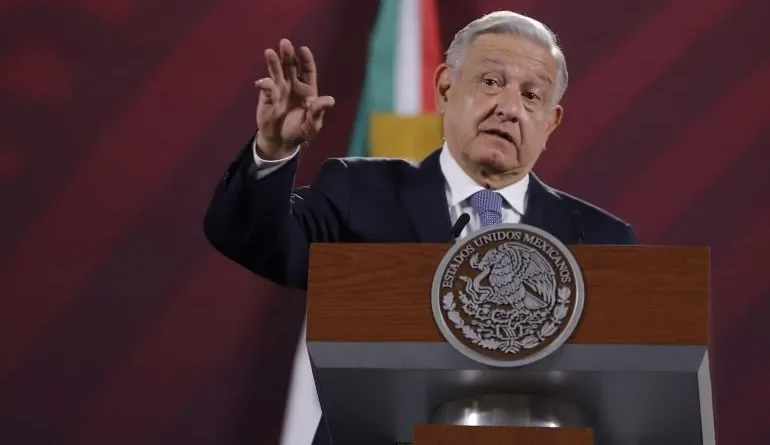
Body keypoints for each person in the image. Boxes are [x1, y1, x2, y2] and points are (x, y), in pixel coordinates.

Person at [204, 11, 637, 445]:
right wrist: (273, 151)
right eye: (491, 82)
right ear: (445, 88)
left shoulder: (601, 242)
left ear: (551, 122)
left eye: (531, 95)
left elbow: (623, 394)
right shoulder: (360, 192)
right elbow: (253, 238)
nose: (508, 109)